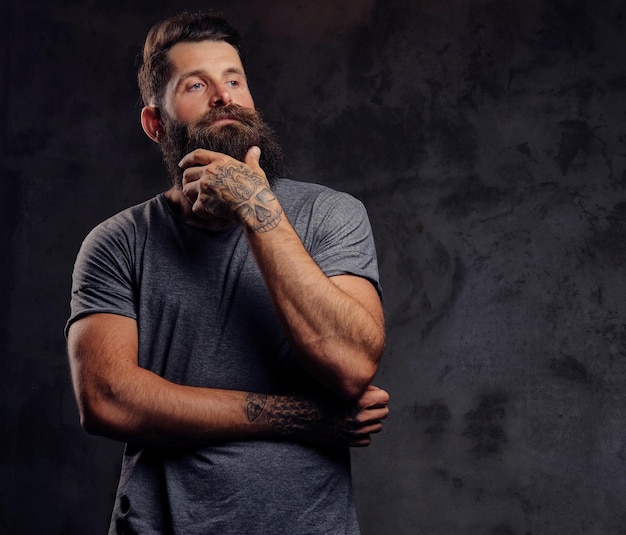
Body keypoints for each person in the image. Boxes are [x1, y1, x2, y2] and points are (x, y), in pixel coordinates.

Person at [66, 10, 389, 535]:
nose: (224, 96)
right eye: (197, 84)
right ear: (155, 123)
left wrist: (255, 205)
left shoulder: (331, 215)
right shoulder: (116, 243)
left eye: (234, 80)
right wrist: (300, 417)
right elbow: (107, 399)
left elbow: (351, 364)